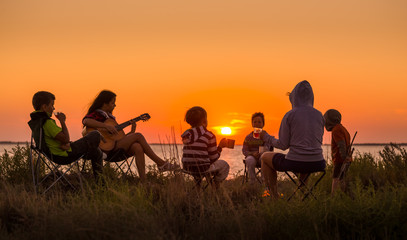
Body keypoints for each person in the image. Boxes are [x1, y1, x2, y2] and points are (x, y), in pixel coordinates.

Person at [82, 90, 179, 182]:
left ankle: (143, 182)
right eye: (112, 103)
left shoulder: (110, 119)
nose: (115, 105)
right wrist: (105, 126)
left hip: (114, 149)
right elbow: (86, 121)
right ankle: (161, 163)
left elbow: (118, 140)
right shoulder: (97, 114)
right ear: (104, 103)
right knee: (139, 136)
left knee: (137, 147)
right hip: (103, 151)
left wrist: (132, 132)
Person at [260, 80, 326, 199]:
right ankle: (303, 196)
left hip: (296, 162)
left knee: (264, 157)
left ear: (294, 98)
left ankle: (274, 197)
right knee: (305, 161)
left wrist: (266, 137)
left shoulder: (290, 115)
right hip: (318, 163)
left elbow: (283, 144)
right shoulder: (319, 115)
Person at [28, 91, 103, 181]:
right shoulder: (47, 122)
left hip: (57, 153)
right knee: (95, 134)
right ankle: (101, 184)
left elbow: (57, 140)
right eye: (52, 105)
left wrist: (66, 143)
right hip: (65, 155)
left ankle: (101, 185)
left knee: (97, 153)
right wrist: (62, 121)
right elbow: (66, 138)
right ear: (44, 107)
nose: (53, 108)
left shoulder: (36, 122)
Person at [181, 106, 230, 189]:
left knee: (201, 163)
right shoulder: (209, 135)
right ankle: (215, 186)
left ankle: (198, 187)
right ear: (204, 120)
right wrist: (220, 147)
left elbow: (195, 151)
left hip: (187, 167)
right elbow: (213, 158)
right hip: (202, 168)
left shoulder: (186, 135)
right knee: (225, 165)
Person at [324, 109, 352, 195]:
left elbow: (341, 144)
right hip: (346, 159)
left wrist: (344, 157)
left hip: (340, 160)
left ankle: (333, 198)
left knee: (335, 179)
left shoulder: (336, 130)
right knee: (341, 179)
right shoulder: (343, 128)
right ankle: (344, 196)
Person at [242, 112, 273, 184]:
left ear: (263, 124)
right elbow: (244, 150)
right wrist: (252, 153)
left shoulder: (266, 136)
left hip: (262, 156)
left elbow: (268, 148)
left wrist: (259, 153)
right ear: (252, 124)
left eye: (259, 122)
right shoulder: (248, 137)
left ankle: (264, 182)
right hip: (252, 156)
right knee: (249, 160)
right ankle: (252, 182)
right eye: (255, 122)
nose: (257, 124)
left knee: (264, 159)